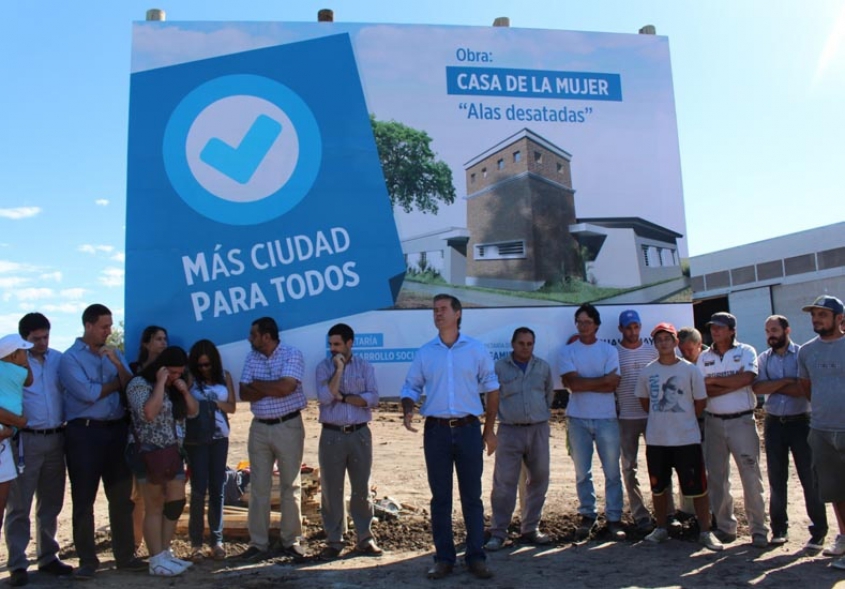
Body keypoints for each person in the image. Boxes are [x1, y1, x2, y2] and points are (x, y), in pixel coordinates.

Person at [401, 294, 499, 580]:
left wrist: (489, 429)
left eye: (443, 309)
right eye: (435, 310)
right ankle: (444, 559)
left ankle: (476, 558)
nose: (437, 314)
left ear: (458, 313)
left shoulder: (476, 350)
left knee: (473, 497)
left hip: (469, 430)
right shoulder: (425, 352)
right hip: (436, 432)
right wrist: (408, 406)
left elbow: (492, 389)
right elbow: (411, 386)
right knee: (440, 498)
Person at [59, 304, 145, 579]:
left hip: (116, 430)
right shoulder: (70, 359)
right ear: (88, 325)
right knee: (84, 497)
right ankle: (87, 559)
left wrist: (118, 366)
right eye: (104, 326)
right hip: (84, 433)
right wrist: (114, 385)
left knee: (121, 496)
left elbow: (130, 386)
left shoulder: (114, 353)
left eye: (110, 326)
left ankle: (125, 555)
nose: (109, 331)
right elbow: (87, 394)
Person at [635, 323, 723, 551]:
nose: (663, 343)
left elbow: (700, 401)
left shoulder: (690, 370)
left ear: (676, 342)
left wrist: (684, 421)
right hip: (657, 440)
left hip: (687, 439)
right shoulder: (648, 371)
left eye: (668, 339)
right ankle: (662, 528)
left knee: (698, 488)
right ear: (654, 344)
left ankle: (705, 531)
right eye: (659, 339)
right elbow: (645, 403)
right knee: (659, 487)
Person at [5, 314, 73, 587]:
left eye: (46, 336)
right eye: (36, 339)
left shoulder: (59, 359)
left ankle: (47, 556)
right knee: (19, 504)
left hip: (57, 436)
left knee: (51, 501)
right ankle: (18, 563)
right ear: (25, 339)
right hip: (26, 440)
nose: (43, 343)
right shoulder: (13, 363)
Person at [752, 315, 827, 549]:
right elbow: (758, 388)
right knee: (777, 478)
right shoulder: (764, 358)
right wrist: (786, 381)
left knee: (810, 478)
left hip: (801, 422)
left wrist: (777, 385)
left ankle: (819, 531)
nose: (770, 335)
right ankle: (779, 529)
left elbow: (805, 389)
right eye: (767, 331)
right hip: (774, 423)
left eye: (774, 330)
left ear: (787, 330)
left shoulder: (803, 354)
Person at [239, 316, 307, 561]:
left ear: (266, 336)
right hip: (259, 428)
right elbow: (244, 392)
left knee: (291, 485)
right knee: (258, 487)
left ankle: (292, 540)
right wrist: (270, 386)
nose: (250, 338)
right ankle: (258, 543)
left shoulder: (292, 354)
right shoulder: (251, 357)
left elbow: (286, 388)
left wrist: (259, 385)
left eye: (254, 334)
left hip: (287, 425)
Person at [697, 312, 768, 547]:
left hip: (742, 421)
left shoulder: (745, 351)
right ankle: (726, 527)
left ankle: (759, 529)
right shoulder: (703, 357)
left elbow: (747, 379)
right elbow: (701, 388)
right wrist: (732, 382)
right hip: (714, 421)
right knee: (717, 477)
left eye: (720, 327)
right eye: (712, 327)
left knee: (750, 476)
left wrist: (715, 382)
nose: (715, 331)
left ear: (731, 330)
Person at [126, 346, 198, 576]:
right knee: (154, 504)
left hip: (172, 451)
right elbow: (148, 412)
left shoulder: (176, 388)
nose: (175, 377)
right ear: (162, 369)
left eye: (179, 373)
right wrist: (159, 383)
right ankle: (155, 558)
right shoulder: (139, 385)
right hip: (148, 452)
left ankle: (165, 552)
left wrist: (184, 391)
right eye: (172, 373)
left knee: (175, 503)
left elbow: (193, 412)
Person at [484, 327, 554, 551]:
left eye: (529, 343)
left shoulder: (543, 367)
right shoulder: (499, 368)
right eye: (521, 343)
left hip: (538, 430)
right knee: (504, 483)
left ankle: (530, 528)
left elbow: (548, 395)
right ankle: (498, 532)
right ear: (513, 344)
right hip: (509, 431)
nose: (525, 347)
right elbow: (491, 400)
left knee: (539, 480)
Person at [315, 323, 382, 559]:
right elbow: (324, 397)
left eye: (337, 344)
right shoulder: (324, 368)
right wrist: (339, 372)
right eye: (330, 344)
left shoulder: (365, 367)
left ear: (349, 343)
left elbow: (372, 398)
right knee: (331, 489)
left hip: (359, 433)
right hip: (332, 434)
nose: (333, 349)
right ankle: (335, 540)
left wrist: (343, 397)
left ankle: (365, 537)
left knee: (361, 488)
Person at [558, 303, 624, 541]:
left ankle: (614, 518)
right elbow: (573, 385)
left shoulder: (608, 351)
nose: (583, 326)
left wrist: (585, 382)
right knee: (581, 472)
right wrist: (601, 381)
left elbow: (613, 384)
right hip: (577, 419)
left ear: (596, 325)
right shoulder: (567, 351)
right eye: (579, 321)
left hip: (607, 418)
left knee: (612, 472)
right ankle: (588, 514)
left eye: (587, 322)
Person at [798, 295, 845, 570]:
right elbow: (807, 387)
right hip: (822, 430)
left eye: (822, 315)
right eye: (814, 315)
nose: (816, 319)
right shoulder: (807, 351)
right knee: (835, 489)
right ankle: (843, 536)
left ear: (839, 319)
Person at [185, 339, 236, 561]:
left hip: (219, 438)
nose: (204, 369)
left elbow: (232, 407)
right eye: (200, 365)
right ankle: (196, 543)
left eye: (207, 365)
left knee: (218, 488)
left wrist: (213, 404)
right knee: (198, 489)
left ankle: (217, 541)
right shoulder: (190, 380)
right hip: (197, 439)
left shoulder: (224, 377)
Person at [615, 309, 661, 532]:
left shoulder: (653, 351)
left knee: (660, 465)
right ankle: (640, 513)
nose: (633, 332)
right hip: (627, 417)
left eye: (636, 327)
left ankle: (665, 512)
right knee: (629, 467)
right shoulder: (615, 353)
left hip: (653, 416)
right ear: (621, 329)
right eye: (628, 327)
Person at [129, 326, 168, 552]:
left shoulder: (170, 370)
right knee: (139, 496)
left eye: (165, 339)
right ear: (146, 343)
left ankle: (161, 547)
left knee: (163, 496)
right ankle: (136, 544)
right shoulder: (136, 370)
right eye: (158, 339)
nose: (163, 343)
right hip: (140, 439)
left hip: (166, 441)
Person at [0, 334, 32, 553]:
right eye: (23, 351)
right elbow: (30, 380)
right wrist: (18, 422)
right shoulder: (20, 372)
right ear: (13, 355)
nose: (27, 355)